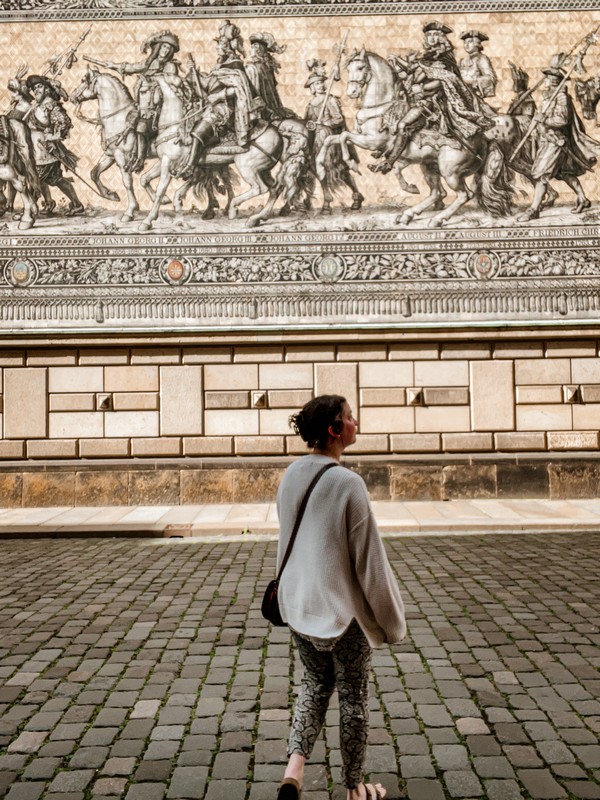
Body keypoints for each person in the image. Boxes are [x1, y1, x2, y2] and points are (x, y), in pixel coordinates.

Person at [275, 395, 406, 800]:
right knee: (353, 697)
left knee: (313, 684)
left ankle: (292, 773)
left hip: (298, 606)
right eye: (349, 417)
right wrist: (392, 623)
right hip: (341, 616)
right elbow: (371, 565)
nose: (355, 421)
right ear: (334, 430)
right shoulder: (348, 483)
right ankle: (354, 786)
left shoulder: (292, 474)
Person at [177, 21, 262, 179]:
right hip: (213, 106)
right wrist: (192, 71)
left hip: (225, 109)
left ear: (226, 47)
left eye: (219, 45)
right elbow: (207, 90)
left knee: (198, 130)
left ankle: (190, 166)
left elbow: (239, 90)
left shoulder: (234, 65)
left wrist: (219, 96)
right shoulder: (219, 66)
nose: (216, 48)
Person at [518, 66, 600, 221]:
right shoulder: (549, 96)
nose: (545, 80)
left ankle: (534, 209)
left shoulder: (561, 97)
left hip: (555, 141)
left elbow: (562, 120)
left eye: (547, 78)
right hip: (546, 139)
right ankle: (583, 199)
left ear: (554, 80)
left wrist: (544, 120)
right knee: (565, 173)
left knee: (540, 174)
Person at [102, 30, 181, 171]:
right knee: (127, 120)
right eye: (163, 47)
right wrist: (113, 65)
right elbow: (133, 67)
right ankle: (131, 153)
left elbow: (169, 86)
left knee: (142, 126)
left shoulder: (170, 66)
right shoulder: (150, 62)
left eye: (168, 48)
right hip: (143, 105)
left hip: (161, 108)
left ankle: (140, 159)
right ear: (159, 47)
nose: (165, 50)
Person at [305, 64, 363, 211]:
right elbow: (307, 123)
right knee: (316, 168)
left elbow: (338, 119)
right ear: (312, 87)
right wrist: (310, 125)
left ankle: (356, 194)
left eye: (321, 82)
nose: (320, 86)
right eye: (317, 83)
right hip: (315, 140)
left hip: (330, 139)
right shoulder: (310, 104)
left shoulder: (330, 100)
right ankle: (326, 198)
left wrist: (325, 122)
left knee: (339, 170)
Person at [24, 74, 84, 216]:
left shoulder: (51, 105)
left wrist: (53, 136)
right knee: (56, 180)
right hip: (35, 150)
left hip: (46, 151)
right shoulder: (36, 105)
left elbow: (65, 123)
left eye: (39, 86)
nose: (36, 90)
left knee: (36, 179)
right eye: (34, 88)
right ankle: (74, 204)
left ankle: (29, 211)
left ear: (46, 89)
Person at [246, 31, 286, 121]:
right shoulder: (267, 65)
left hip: (261, 110)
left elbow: (252, 91)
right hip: (272, 107)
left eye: (252, 47)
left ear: (258, 50)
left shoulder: (252, 67)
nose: (250, 50)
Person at [459, 30, 497, 98]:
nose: (466, 45)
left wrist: (473, 82)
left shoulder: (482, 58)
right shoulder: (462, 61)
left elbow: (490, 78)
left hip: (474, 95)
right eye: (465, 42)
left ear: (477, 43)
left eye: (470, 42)